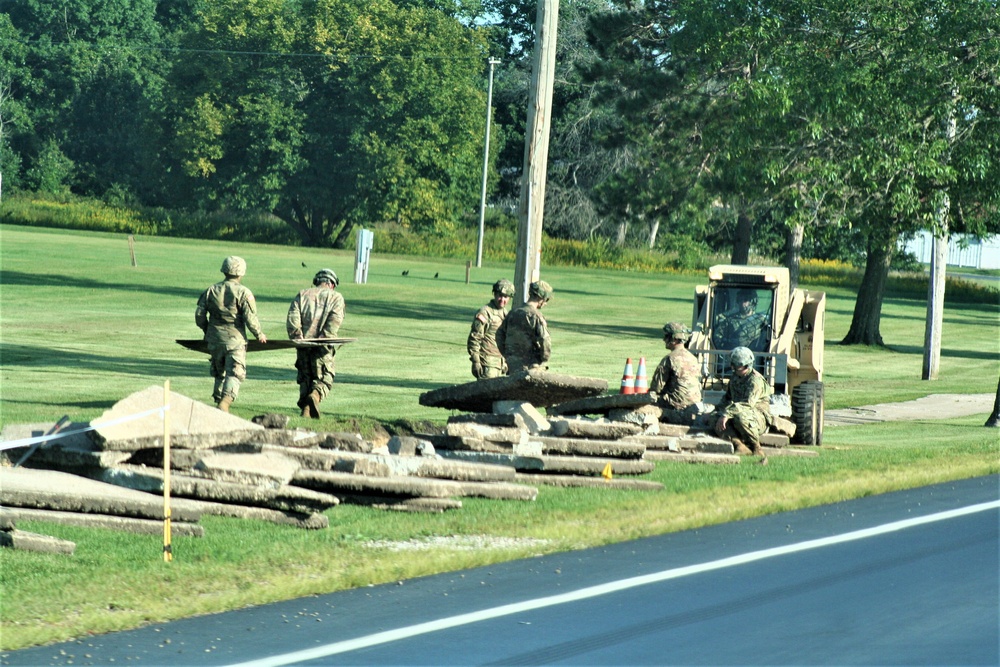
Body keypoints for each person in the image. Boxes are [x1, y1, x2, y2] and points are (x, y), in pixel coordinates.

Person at [195, 256, 268, 412]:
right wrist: (259, 334)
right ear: (241, 272)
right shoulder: (243, 292)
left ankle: (218, 400)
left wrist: (207, 330)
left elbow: (199, 315)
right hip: (235, 340)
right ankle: (225, 403)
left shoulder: (211, 290)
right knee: (235, 372)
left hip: (214, 339)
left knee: (219, 371)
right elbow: (250, 318)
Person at [286, 269, 345, 419]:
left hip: (303, 345)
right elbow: (335, 321)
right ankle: (316, 396)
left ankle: (306, 412)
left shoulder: (302, 294)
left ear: (316, 281)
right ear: (332, 284)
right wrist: (324, 338)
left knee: (305, 378)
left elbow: (293, 319)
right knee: (325, 377)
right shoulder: (336, 297)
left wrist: (299, 338)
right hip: (323, 346)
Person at [714, 346, 772, 455]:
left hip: (757, 417)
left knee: (741, 417)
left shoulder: (755, 380)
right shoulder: (735, 377)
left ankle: (756, 448)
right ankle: (739, 445)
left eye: (735, 365)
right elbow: (727, 398)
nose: (732, 367)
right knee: (714, 418)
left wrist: (727, 414)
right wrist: (718, 411)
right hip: (738, 412)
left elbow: (747, 404)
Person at [649, 322, 703, 424]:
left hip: (675, 404)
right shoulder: (693, 358)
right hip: (694, 403)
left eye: (666, 336)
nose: (664, 340)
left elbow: (656, 388)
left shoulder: (669, 358)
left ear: (674, 339)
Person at [496, 280, 553, 374]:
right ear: (541, 298)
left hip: (512, 366)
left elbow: (499, 335)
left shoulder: (513, 313)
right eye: (546, 300)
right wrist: (543, 358)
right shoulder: (536, 316)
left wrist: (508, 355)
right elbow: (545, 340)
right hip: (530, 367)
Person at [468, 279, 515, 379]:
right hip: (487, 364)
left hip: (501, 365)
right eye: (500, 295)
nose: (502, 300)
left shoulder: (505, 314)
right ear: (494, 294)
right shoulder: (485, 313)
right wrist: (476, 361)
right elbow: (474, 339)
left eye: (506, 297)